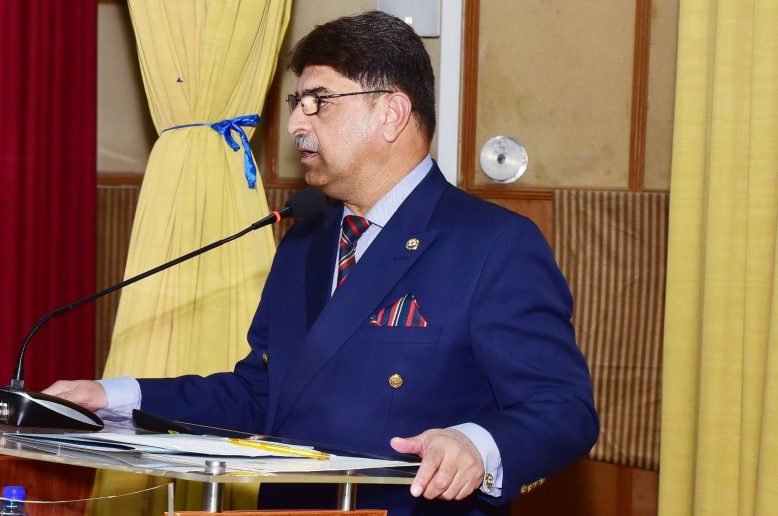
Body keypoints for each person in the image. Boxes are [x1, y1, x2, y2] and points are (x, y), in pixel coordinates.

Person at [45, 10, 598, 515]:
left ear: (391, 113)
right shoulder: (306, 239)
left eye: (319, 101)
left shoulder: (494, 244)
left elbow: (563, 408)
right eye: (297, 102)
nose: (295, 124)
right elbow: (261, 394)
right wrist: (116, 397)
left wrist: (476, 445)